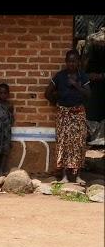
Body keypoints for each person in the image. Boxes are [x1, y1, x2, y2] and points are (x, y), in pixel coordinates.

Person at [45, 49, 91, 184]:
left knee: (79, 144)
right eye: (69, 61)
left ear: (78, 62)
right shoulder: (60, 76)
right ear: (66, 62)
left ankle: (77, 176)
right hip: (63, 115)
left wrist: (76, 85)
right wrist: (57, 101)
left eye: (74, 61)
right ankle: (64, 176)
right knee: (63, 143)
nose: (71, 64)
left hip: (78, 114)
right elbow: (47, 93)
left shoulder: (83, 77)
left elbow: (88, 95)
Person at [0, 83, 15, 175]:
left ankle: (1, 167)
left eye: (5, 93)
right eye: (0, 93)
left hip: (6, 130)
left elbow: (11, 117)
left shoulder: (9, 105)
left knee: (5, 150)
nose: (3, 95)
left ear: (8, 94)